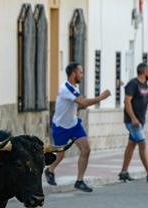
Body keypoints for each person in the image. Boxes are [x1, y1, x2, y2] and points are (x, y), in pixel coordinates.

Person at [44, 62, 111, 192]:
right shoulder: (66, 88)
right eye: (80, 72)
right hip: (60, 127)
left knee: (86, 150)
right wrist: (101, 97)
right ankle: (50, 170)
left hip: (74, 125)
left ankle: (79, 181)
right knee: (60, 155)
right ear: (73, 74)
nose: (82, 75)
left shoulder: (74, 87)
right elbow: (83, 102)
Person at [119, 63, 148, 183]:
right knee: (142, 144)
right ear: (144, 72)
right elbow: (127, 102)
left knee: (131, 145)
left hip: (140, 121)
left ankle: (124, 172)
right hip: (133, 121)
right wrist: (133, 118)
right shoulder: (133, 84)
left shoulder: (145, 85)